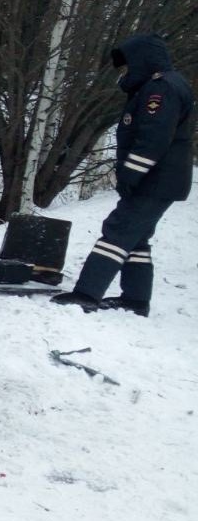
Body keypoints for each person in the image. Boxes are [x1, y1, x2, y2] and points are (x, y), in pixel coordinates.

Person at [51, 33, 194, 316]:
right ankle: (135, 300)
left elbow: (153, 139)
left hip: (155, 180)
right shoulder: (157, 86)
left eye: (126, 67)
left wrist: (130, 173)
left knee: (117, 230)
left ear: (142, 61)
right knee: (136, 237)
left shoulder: (160, 89)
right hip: (158, 180)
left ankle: (87, 293)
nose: (124, 74)